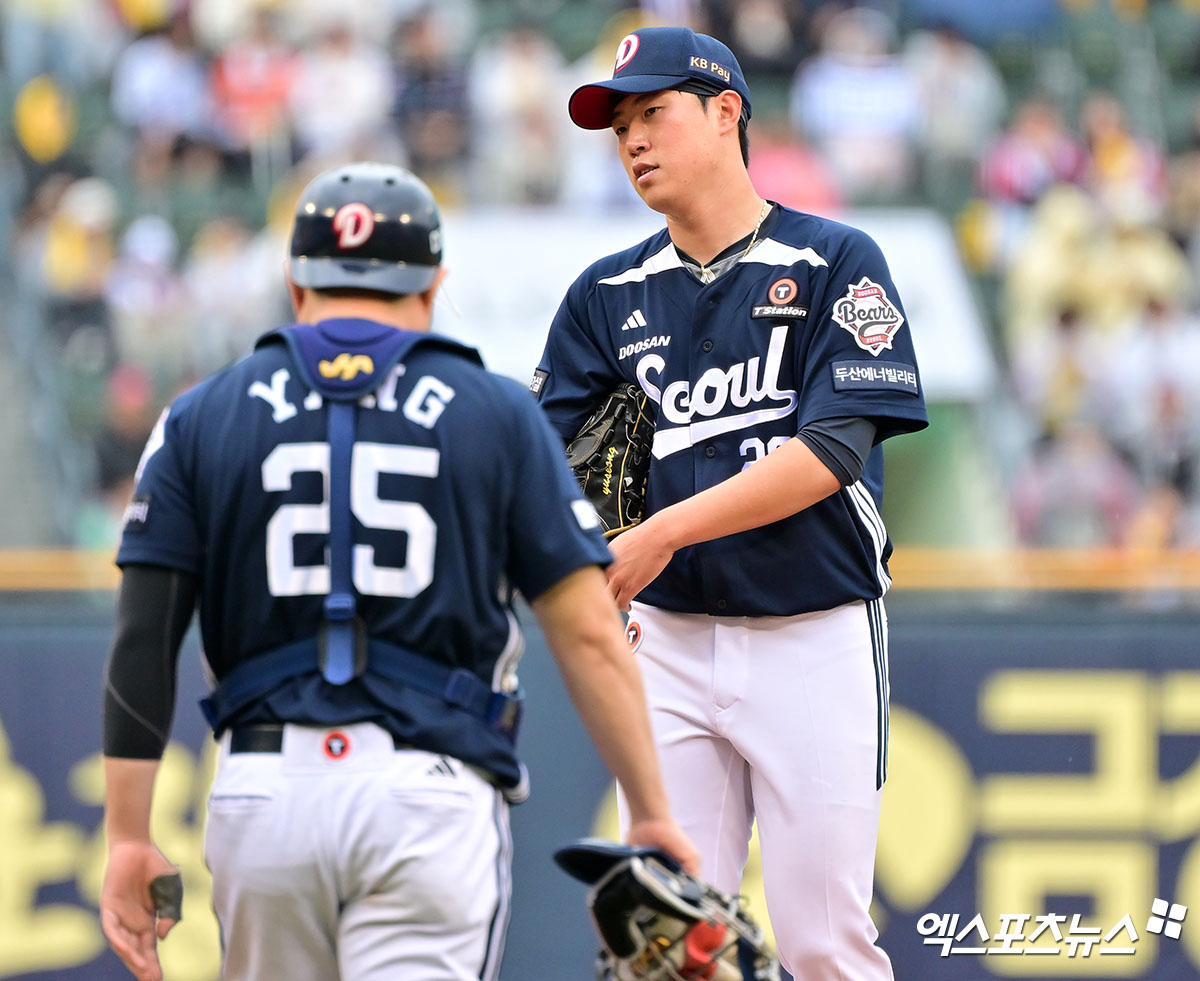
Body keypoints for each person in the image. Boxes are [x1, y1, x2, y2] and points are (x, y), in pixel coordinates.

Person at [99, 161, 697, 981]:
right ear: (432, 283)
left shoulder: (199, 414)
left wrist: (129, 834)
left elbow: (143, 638)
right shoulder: (496, 409)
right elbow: (591, 631)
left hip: (264, 794)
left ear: (295, 280)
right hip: (429, 790)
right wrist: (654, 811)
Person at [533, 26, 929, 980]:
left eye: (652, 113)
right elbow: (550, 465)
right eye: (619, 123)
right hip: (665, 643)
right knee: (668, 943)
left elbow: (831, 452)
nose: (631, 140)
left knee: (823, 942)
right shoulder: (606, 295)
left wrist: (659, 528)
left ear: (725, 113)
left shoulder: (836, 255)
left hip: (814, 630)